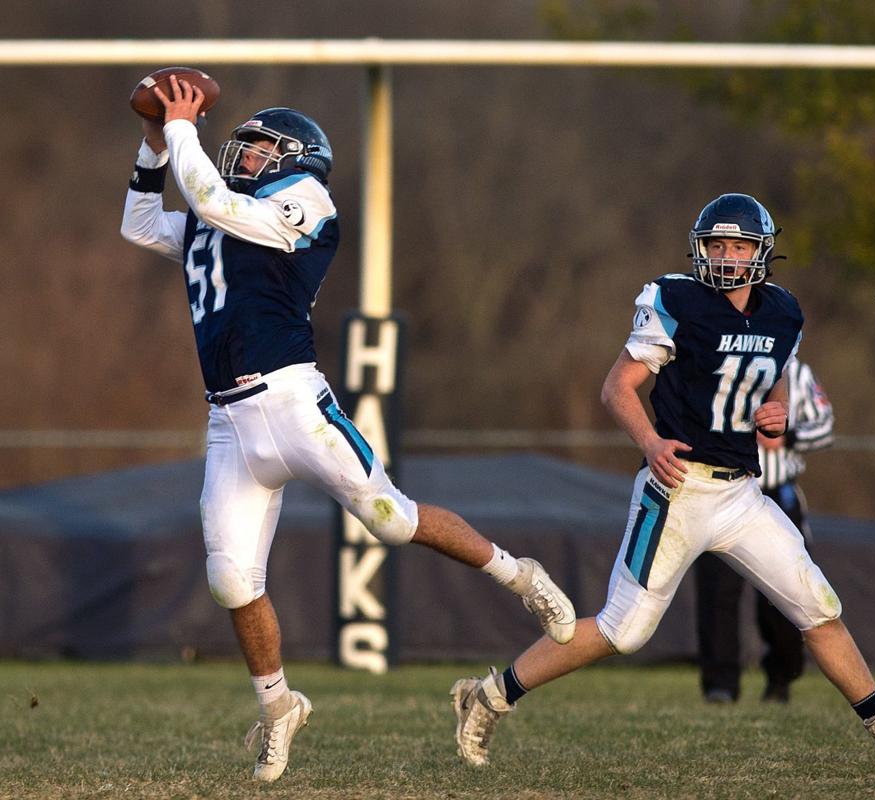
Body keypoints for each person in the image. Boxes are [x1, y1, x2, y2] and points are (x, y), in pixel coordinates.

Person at [119, 75, 577, 782]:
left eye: (260, 147)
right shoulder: (225, 212)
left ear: (295, 157)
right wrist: (154, 143)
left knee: (390, 519)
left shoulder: (309, 203)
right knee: (229, 580)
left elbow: (210, 197)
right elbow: (142, 223)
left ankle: (521, 576)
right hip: (228, 421)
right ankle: (279, 708)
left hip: (293, 401)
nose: (244, 156)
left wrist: (180, 127)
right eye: (240, 147)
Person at [450, 192, 875, 767]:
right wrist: (650, 442)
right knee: (625, 631)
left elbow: (774, 376)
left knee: (818, 606)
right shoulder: (677, 300)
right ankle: (490, 695)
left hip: (742, 492)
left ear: (761, 252)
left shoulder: (783, 311)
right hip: (677, 490)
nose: (726, 255)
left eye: (738, 245)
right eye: (716, 244)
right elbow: (617, 387)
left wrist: (777, 410)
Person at [695, 358, 833, 704]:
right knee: (718, 592)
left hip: (775, 492)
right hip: (721, 491)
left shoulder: (798, 371)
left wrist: (788, 435)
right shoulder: (718, 355)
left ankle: (781, 677)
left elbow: (826, 426)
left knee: (785, 592)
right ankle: (720, 686)